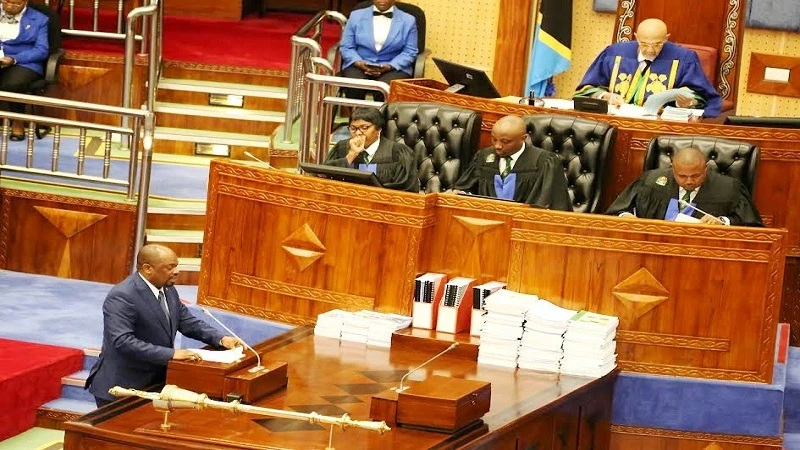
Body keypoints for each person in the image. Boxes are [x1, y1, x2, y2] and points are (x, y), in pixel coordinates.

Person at [86, 244, 243, 407]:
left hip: (155, 383)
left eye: (176, 266)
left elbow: (186, 321)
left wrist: (220, 338)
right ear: (148, 269)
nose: (177, 271)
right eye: (170, 267)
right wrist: (171, 354)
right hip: (122, 387)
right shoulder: (123, 296)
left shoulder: (168, 289)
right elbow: (122, 341)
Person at [574, 18, 722, 118]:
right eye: (644, 44)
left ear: (666, 38)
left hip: (660, 125)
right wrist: (605, 96)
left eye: (657, 44)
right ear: (636, 37)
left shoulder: (684, 59)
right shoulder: (614, 53)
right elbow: (586, 88)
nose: (650, 50)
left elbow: (702, 97)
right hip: (614, 120)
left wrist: (685, 102)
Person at [606, 146, 762, 226]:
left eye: (696, 176)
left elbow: (750, 226)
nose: (689, 181)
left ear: (706, 168)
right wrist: (626, 216)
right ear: (672, 169)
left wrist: (723, 221)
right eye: (682, 176)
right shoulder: (651, 181)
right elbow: (618, 210)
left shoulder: (729, 188)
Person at [451, 115, 572, 211]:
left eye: (505, 141)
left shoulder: (545, 162)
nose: (497, 146)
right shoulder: (484, 157)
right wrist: (461, 194)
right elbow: (466, 190)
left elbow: (553, 204)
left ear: (523, 138)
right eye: (494, 139)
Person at [323, 106, 419, 192]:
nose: (358, 133)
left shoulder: (398, 153)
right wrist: (351, 155)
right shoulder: (342, 148)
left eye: (364, 128)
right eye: (353, 128)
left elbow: (406, 189)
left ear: (379, 129)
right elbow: (324, 178)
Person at [339, 0, 418, 101]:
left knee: (384, 89)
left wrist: (390, 66)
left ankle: (381, 116)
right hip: (360, 63)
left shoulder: (409, 20)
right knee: (354, 85)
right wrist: (358, 62)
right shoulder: (355, 16)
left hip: (393, 67)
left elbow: (410, 52)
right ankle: (356, 115)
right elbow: (346, 46)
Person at [0, 0, 50, 140]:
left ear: (25, 3)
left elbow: (41, 50)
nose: (10, 6)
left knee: (13, 83)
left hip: (24, 62)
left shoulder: (40, 19)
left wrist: (14, 59)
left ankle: (18, 121)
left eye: (17, 4)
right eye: (6, 2)